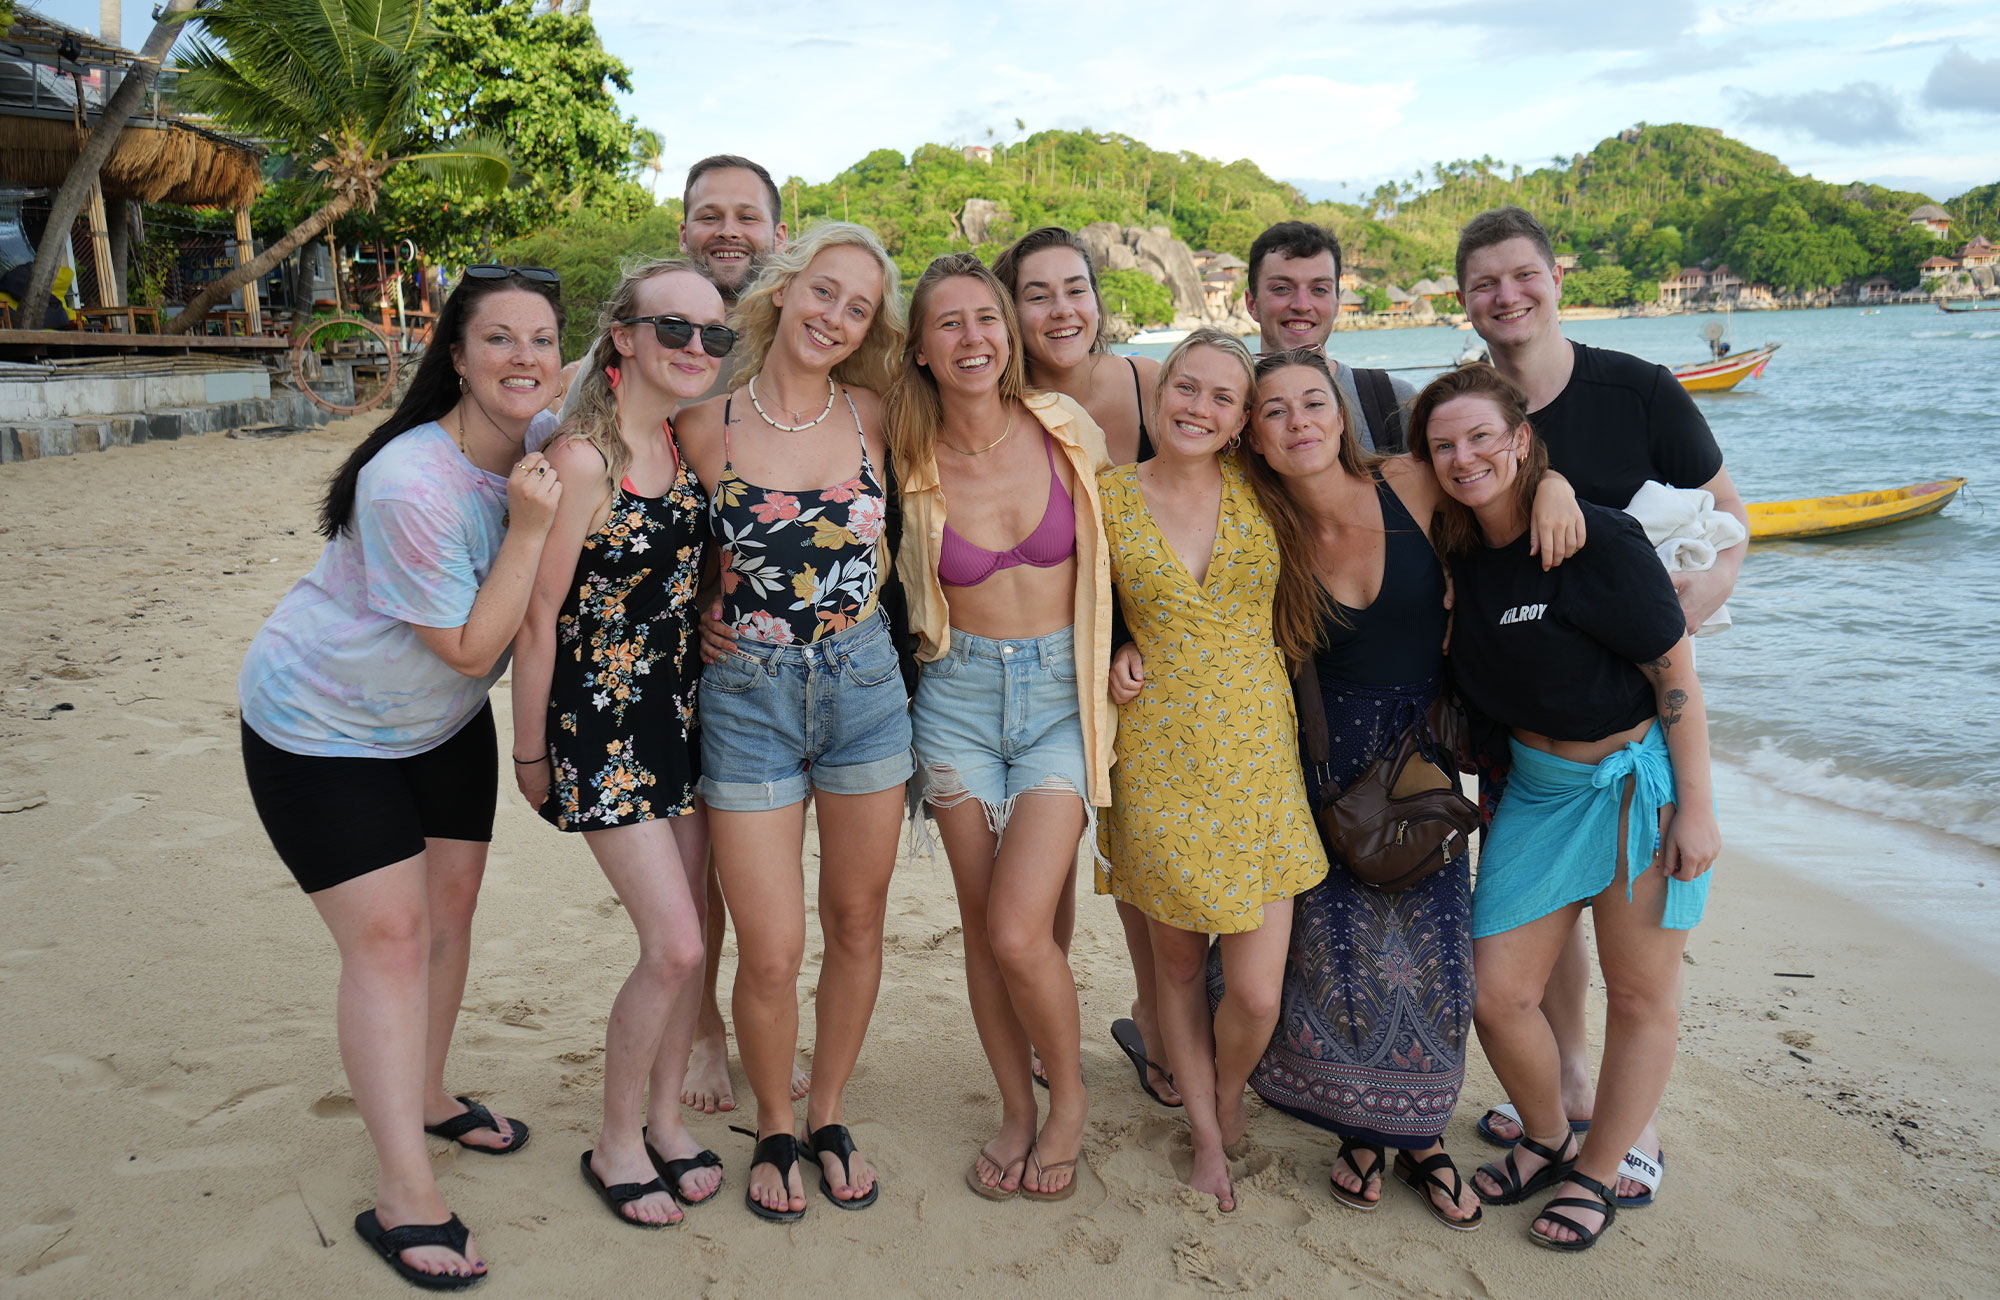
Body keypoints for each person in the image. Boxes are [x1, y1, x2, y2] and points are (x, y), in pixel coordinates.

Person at [236, 266, 565, 1289]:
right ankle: (402, 1189)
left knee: (450, 917)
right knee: (389, 940)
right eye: (498, 339)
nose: (523, 358)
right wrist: (527, 530)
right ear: (455, 357)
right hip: (318, 726)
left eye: (542, 340)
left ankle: (424, 1092)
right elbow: (472, 647)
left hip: (437, 726)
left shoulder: (551, 440)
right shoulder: (410, 480)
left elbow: (654, 358)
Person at [1455, 206, 1747, 1206]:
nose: (1505, 295)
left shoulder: (1634, 390)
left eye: (1520, 274)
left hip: (1636, 710)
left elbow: (1729, 522)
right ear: (1463, 301)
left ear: (1553, 277)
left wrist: (1674, 628)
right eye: (1484, 282)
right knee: (1530, 959)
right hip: (1526, 740)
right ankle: (1568, 1089)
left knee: (1634, 969)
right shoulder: (1474, 422)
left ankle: (1625, 1129)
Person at [1413, 364, 1719, 1252]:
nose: (1464, 457)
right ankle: (1549, 1137)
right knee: (1498, 993)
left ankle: (1599, 1169)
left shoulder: (1598, 540)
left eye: (1482, 438)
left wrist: (1695, 808)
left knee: (1638, 994)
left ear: (1519, 440)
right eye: (1445, 445)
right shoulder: (1459, 554)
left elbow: (1676, 676)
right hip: (1539, 797)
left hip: (1631, 786)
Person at [674, 221, 909, 1221]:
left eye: (857, 308)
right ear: (782, 288)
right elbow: (649, 543)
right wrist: (691, 620)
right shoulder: (703, 423)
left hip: (863, 688)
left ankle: (827, 1111)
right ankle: (773, 1120)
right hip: (747, 700)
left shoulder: (876, 414)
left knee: (856, 923)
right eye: (823, 291)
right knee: (769, 948)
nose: (834, 316)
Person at [509, 258, 729, 1226]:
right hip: (599, 727)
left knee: (695, 943)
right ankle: (615, 1141)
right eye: (673, 329)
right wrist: (526, 755)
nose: (694, 348)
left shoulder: (681, 443)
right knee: (674, 945)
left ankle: (665, 1121)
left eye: (713, 336)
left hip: (680, 719)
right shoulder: (584, 457)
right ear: (625, 338)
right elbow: (535, 613)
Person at [889, 253, 1114, 1201]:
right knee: (988, 932)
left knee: (1023, 929)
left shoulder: (1068, 428)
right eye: (950, 323)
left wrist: (1134, 647)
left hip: (1064, 698)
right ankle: (1015, 1111)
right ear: (922, 349)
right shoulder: (900, 456)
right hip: (959, 703)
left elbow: (1126, 549)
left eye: (988, 317)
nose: (975, 337)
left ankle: (1066, 1104)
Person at [1099, 329, 1329, 1212]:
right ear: (1161, 396)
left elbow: (1387, 491)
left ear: (1241, 420)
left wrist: (1558, 484)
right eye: (1185, 388)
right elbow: (1075, 608)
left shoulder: (1268, 490)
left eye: (1221, 397)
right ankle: (1203, 1131)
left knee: (1258, 994)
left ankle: (1229, 1094)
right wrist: (1116, 645)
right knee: (1178, 973)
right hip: (1157, 754)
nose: (1198, 406)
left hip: (1260, 760)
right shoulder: (1109, 496)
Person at [992, 226, 1178, 1109]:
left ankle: (1155, 1015)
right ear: (1011, 310)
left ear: (1100, 299)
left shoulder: (1149, 384)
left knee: (1149, 847)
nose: (1061, 309)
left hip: (1164, 650)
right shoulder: (998, 399)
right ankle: (1043, 1018)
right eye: (1037, 294)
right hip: (1064, 657)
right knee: (1050, 858)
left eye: (1075, 289)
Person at [1244, 222, 1414, 452]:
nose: (1302, 305)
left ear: (1337, 305)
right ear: (1252, 303)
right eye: (1282, 288)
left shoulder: (1394, 402)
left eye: (1319, 290)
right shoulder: (1228, 407)